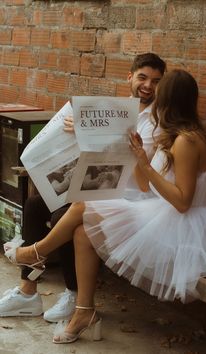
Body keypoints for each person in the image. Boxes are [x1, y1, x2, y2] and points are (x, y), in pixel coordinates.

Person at [4, 69, 206, 344]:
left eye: (159, 95)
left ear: (168, 101)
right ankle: (85, 313)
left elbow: (182, 202)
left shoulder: (187, 140)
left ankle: (35, 252)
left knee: (83, 206)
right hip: (158, 209)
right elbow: (143, 185)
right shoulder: (171, 136)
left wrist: (146, 164)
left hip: (179, 224)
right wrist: (135, 156)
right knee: (82, 232)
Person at [0, 52, 167, 322]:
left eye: (156, 81)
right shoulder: (114, 108)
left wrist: (90, 134)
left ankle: (72, 293)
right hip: (99, 181)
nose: (148, 85)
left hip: (128, 192)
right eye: (143, 77)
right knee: (34, 204)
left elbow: (138, 161)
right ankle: (28, 291)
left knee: (61, 217)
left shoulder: (159, 120)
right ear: (130, 77)